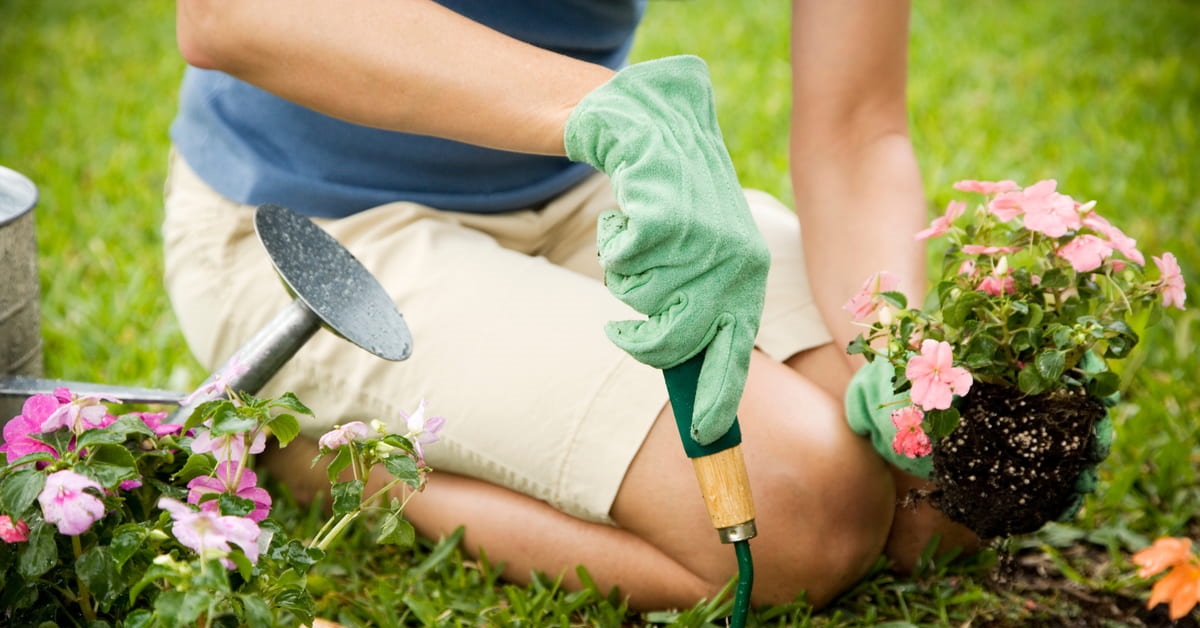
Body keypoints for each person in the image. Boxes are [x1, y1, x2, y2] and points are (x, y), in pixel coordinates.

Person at [165, 0, 978, 611]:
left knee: (940, 502)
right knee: (801, 521)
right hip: (320, 235)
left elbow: (856, 126)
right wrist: (610, 111)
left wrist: (892, 350)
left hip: (574, 183)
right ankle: (332, 464)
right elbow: (230, 13)